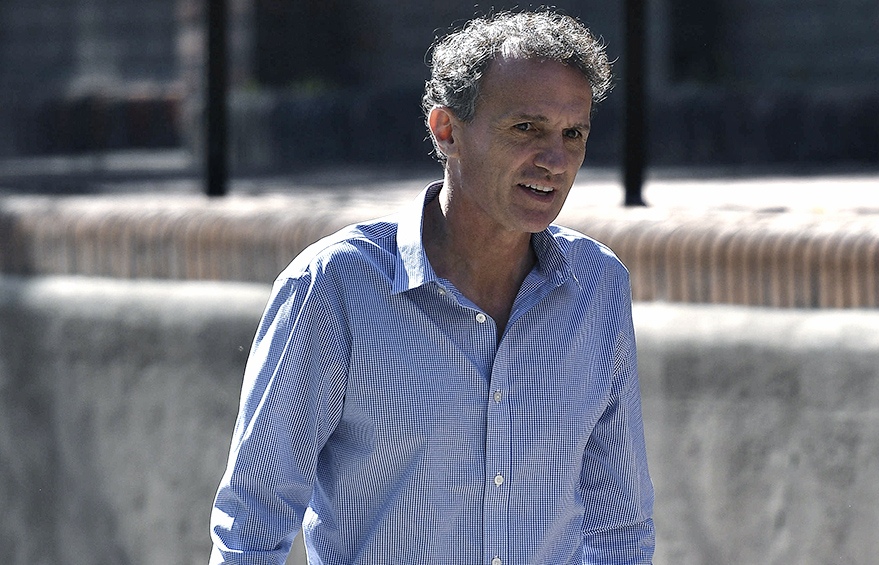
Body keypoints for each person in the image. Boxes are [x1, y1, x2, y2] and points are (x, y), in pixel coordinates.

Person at [210, 9, 655, 565]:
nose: (555, 160)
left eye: (574, 134)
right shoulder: (334, 286)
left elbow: (620, 524)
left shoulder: (597, 286)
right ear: (447, 131)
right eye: (526, 128)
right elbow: (253, 523)